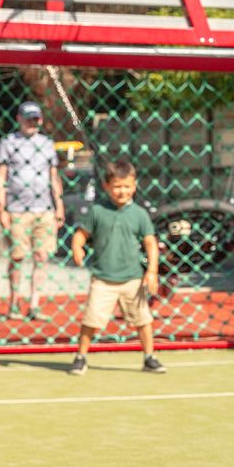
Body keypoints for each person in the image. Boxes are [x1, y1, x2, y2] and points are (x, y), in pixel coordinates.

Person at [68, 159, 165, 376]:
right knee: (91, 321)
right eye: (117, 186)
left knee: (143, 321)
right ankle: (81, 357)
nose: (122, 191)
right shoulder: (97, 211)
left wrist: (152, 271)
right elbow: (80, 235)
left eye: (127, 186)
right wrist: (77, 248)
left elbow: (150, 243)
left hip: (132, 279)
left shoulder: (139, 214)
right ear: (107, 186)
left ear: (135, 185)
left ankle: (149, 357)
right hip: (103, 279)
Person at [0, 101, 63, 318]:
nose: (32, 123)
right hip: (17, 209)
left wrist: (59, 205)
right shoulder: (8, 143)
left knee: (41, 256)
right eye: (28, 118)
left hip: (44, 209)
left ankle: (34, 304)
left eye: (36, 119)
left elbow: (54, 177)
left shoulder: (47, 144)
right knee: (17, 256)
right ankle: (14, 302)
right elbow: (1, 177)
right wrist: (2, 209)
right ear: (19, 119)